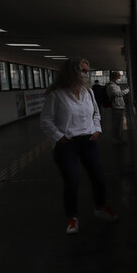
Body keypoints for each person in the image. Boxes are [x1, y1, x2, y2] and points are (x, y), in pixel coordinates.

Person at [40, 57, 118, 234]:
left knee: (98, 176)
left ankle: (100, 207)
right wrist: (60, 137)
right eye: (82, 70)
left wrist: (97, 129)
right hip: (67, 145)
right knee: (72, 181)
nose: (86, 74)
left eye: (87, 70)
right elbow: (45, 121)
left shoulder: (88, 92)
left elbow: (96, 114)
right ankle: (72, 218)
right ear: (71, 72)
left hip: (89, 141)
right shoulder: (57, 94)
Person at [105, 71, 128, 143]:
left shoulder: (114, 85)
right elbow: (118, 94)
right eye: (118, 77)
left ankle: (118, 138)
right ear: (115, 77)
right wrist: (127, 90)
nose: (119, 78)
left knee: (118, 123)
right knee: (117, 124)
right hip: (116, 106)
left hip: (119, 106)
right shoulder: (111, 86)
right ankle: (116, 139)